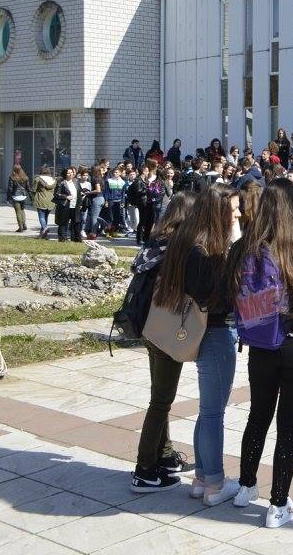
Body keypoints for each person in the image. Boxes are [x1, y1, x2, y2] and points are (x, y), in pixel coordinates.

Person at [228, 178, 293, 528]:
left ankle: (245, 486)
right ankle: (278, 504)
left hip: (259, 342)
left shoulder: (244, 247)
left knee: (258, 414)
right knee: (288, 423)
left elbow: (232, 294)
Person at [151, 187, 242, 505]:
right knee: (214, 413)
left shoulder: (187, 240)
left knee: (208, 411)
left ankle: (202, 478)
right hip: (216, 334)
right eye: (234, 209)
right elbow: (215, 297)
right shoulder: (207, 251)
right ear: (219, 212)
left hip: (202, 334)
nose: (239, 214)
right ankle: (215, 483)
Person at [129, 192, 197, 492]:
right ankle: (144, 469)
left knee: (159, 396)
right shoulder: (179, 249)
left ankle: (164, 456)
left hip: (148, 327)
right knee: (160, 402)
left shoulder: (155, 242)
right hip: (167, 331)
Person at [54, 166, 82, 242]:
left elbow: (79, 192)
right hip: (65, 205)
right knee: (63, 223)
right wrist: (66, 196)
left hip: (75, 205)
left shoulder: (76, 182)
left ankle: (77, 239)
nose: (70, 174)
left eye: (71, 172)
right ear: (65, 174)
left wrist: (80, 203)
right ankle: (62, 239)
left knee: (76, 222)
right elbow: (56, 194)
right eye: (68, 173)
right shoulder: (62, 183)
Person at [32, 165, 57, 238]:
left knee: (41, 217)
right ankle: (42, 234)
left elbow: (33, 189)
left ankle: (45, 228)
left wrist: (33, 197)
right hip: (51, 201)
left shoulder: (38, 179)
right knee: (46, 217)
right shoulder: (53, 180)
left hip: (41, 199)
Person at [6, 164, 31, 233]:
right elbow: (28, 188)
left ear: (14, 170)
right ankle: (24, 224)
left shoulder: (12, 177)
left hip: (15, 196)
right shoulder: (25, 177)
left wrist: (8, 198)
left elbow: (10, 189)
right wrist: (31, 197)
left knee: (18, 212)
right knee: (22, 210)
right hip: (23, 196)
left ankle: (20, 227)